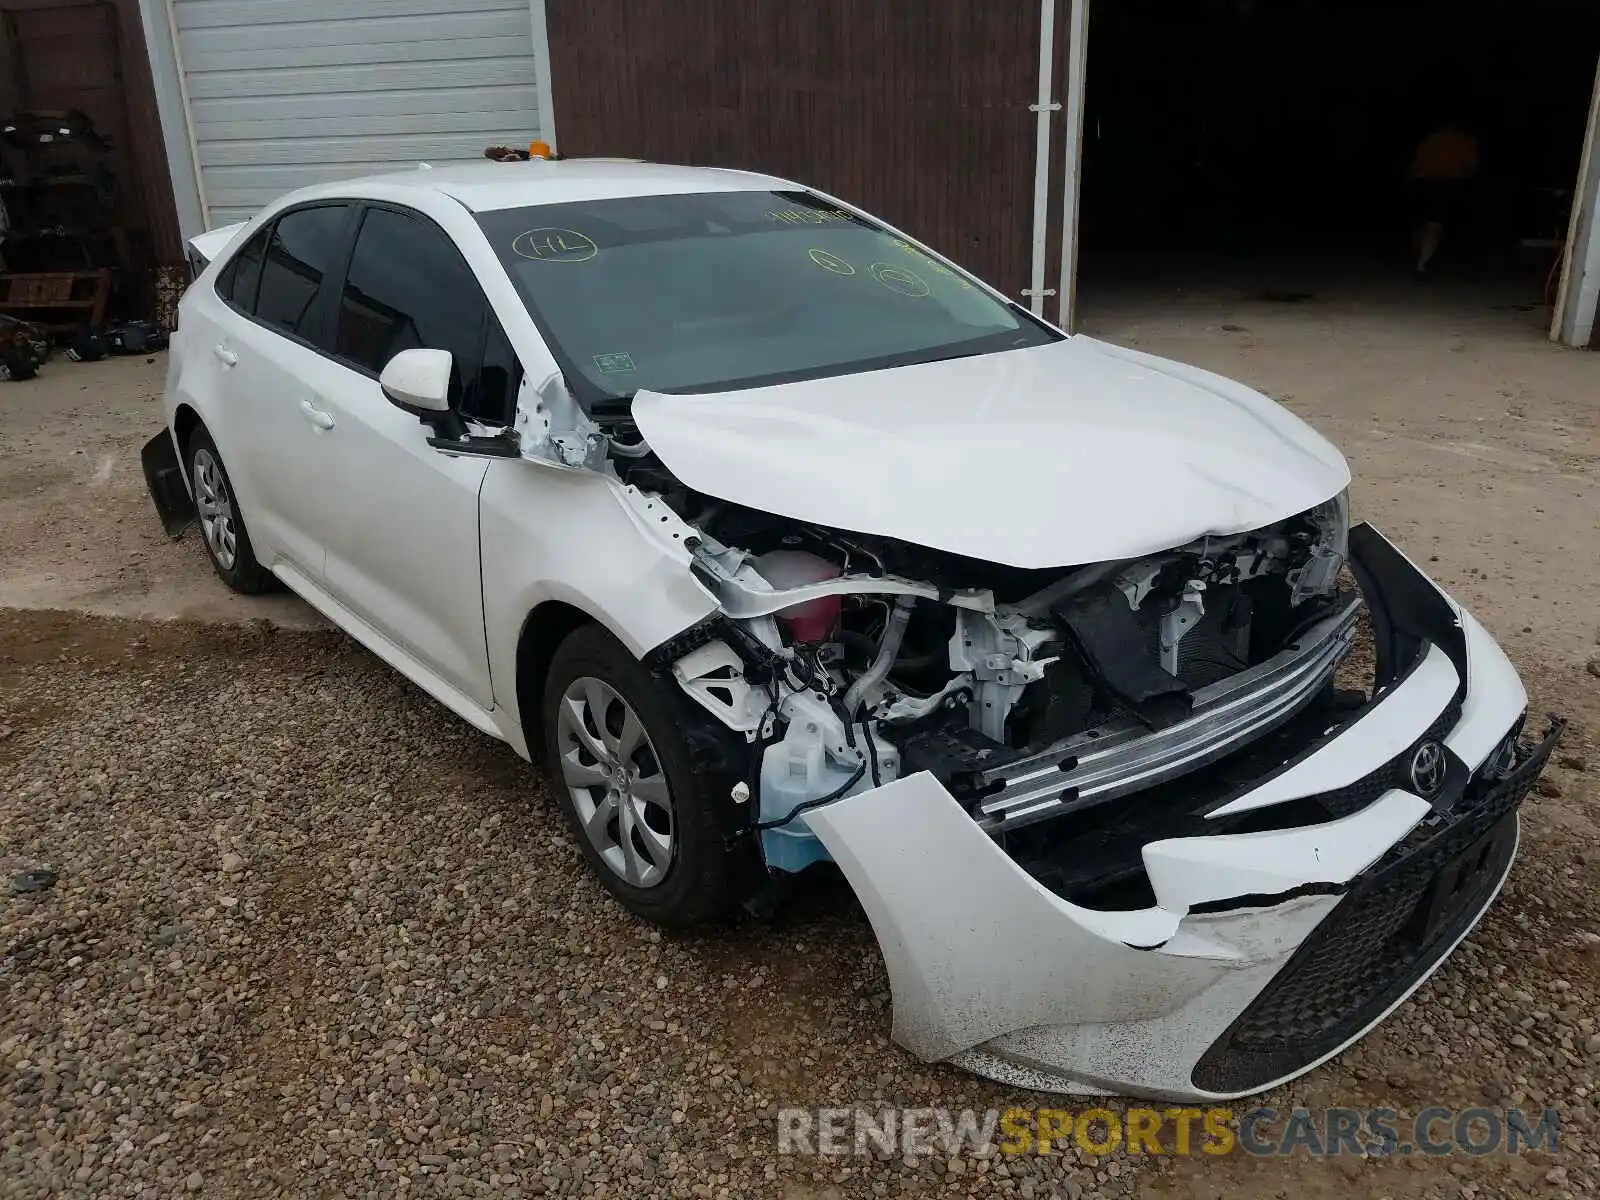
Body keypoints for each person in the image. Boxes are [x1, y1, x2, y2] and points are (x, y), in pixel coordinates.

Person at [1408, 122, 1480, 277]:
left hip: (1422, 180)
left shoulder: (1431, 139)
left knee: (1422, 222)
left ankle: (1421, 257)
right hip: (1446, 182)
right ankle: (1422, 263)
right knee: (1435, 224)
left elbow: (1416, 161)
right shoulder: (1464, 140)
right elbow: (1470, 166)